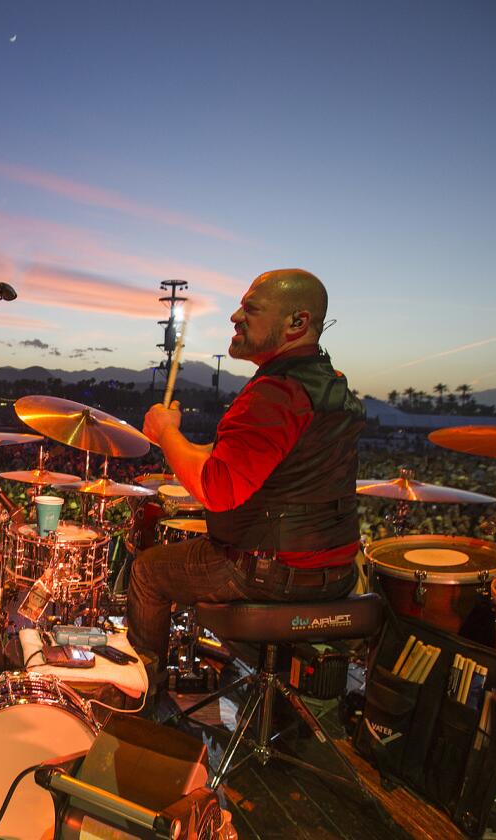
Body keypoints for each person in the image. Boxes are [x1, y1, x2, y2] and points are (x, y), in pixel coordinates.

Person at [130, 269, 365, 677]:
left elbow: (217, 491)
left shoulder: (275, 393)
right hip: (338, 573)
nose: (235, 317)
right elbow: (260, 456)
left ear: (297, 323)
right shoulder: (328, 384)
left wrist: (166, 434)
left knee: (148, 570)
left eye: (250, 309)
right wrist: (189, 444)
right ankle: (281, 698)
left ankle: (141, 704)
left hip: (271, 572)